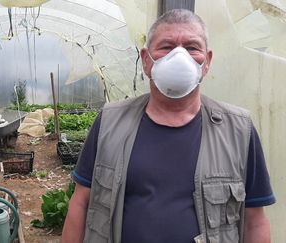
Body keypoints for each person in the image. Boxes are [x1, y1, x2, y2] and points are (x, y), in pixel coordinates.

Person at [61, 9, 275, 243]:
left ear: (207, 61)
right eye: (166, 46)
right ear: (146, 60)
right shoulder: (110, 122)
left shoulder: (238, 130)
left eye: (192, 47)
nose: (179, 56)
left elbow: (254, 220)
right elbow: (81, 202)